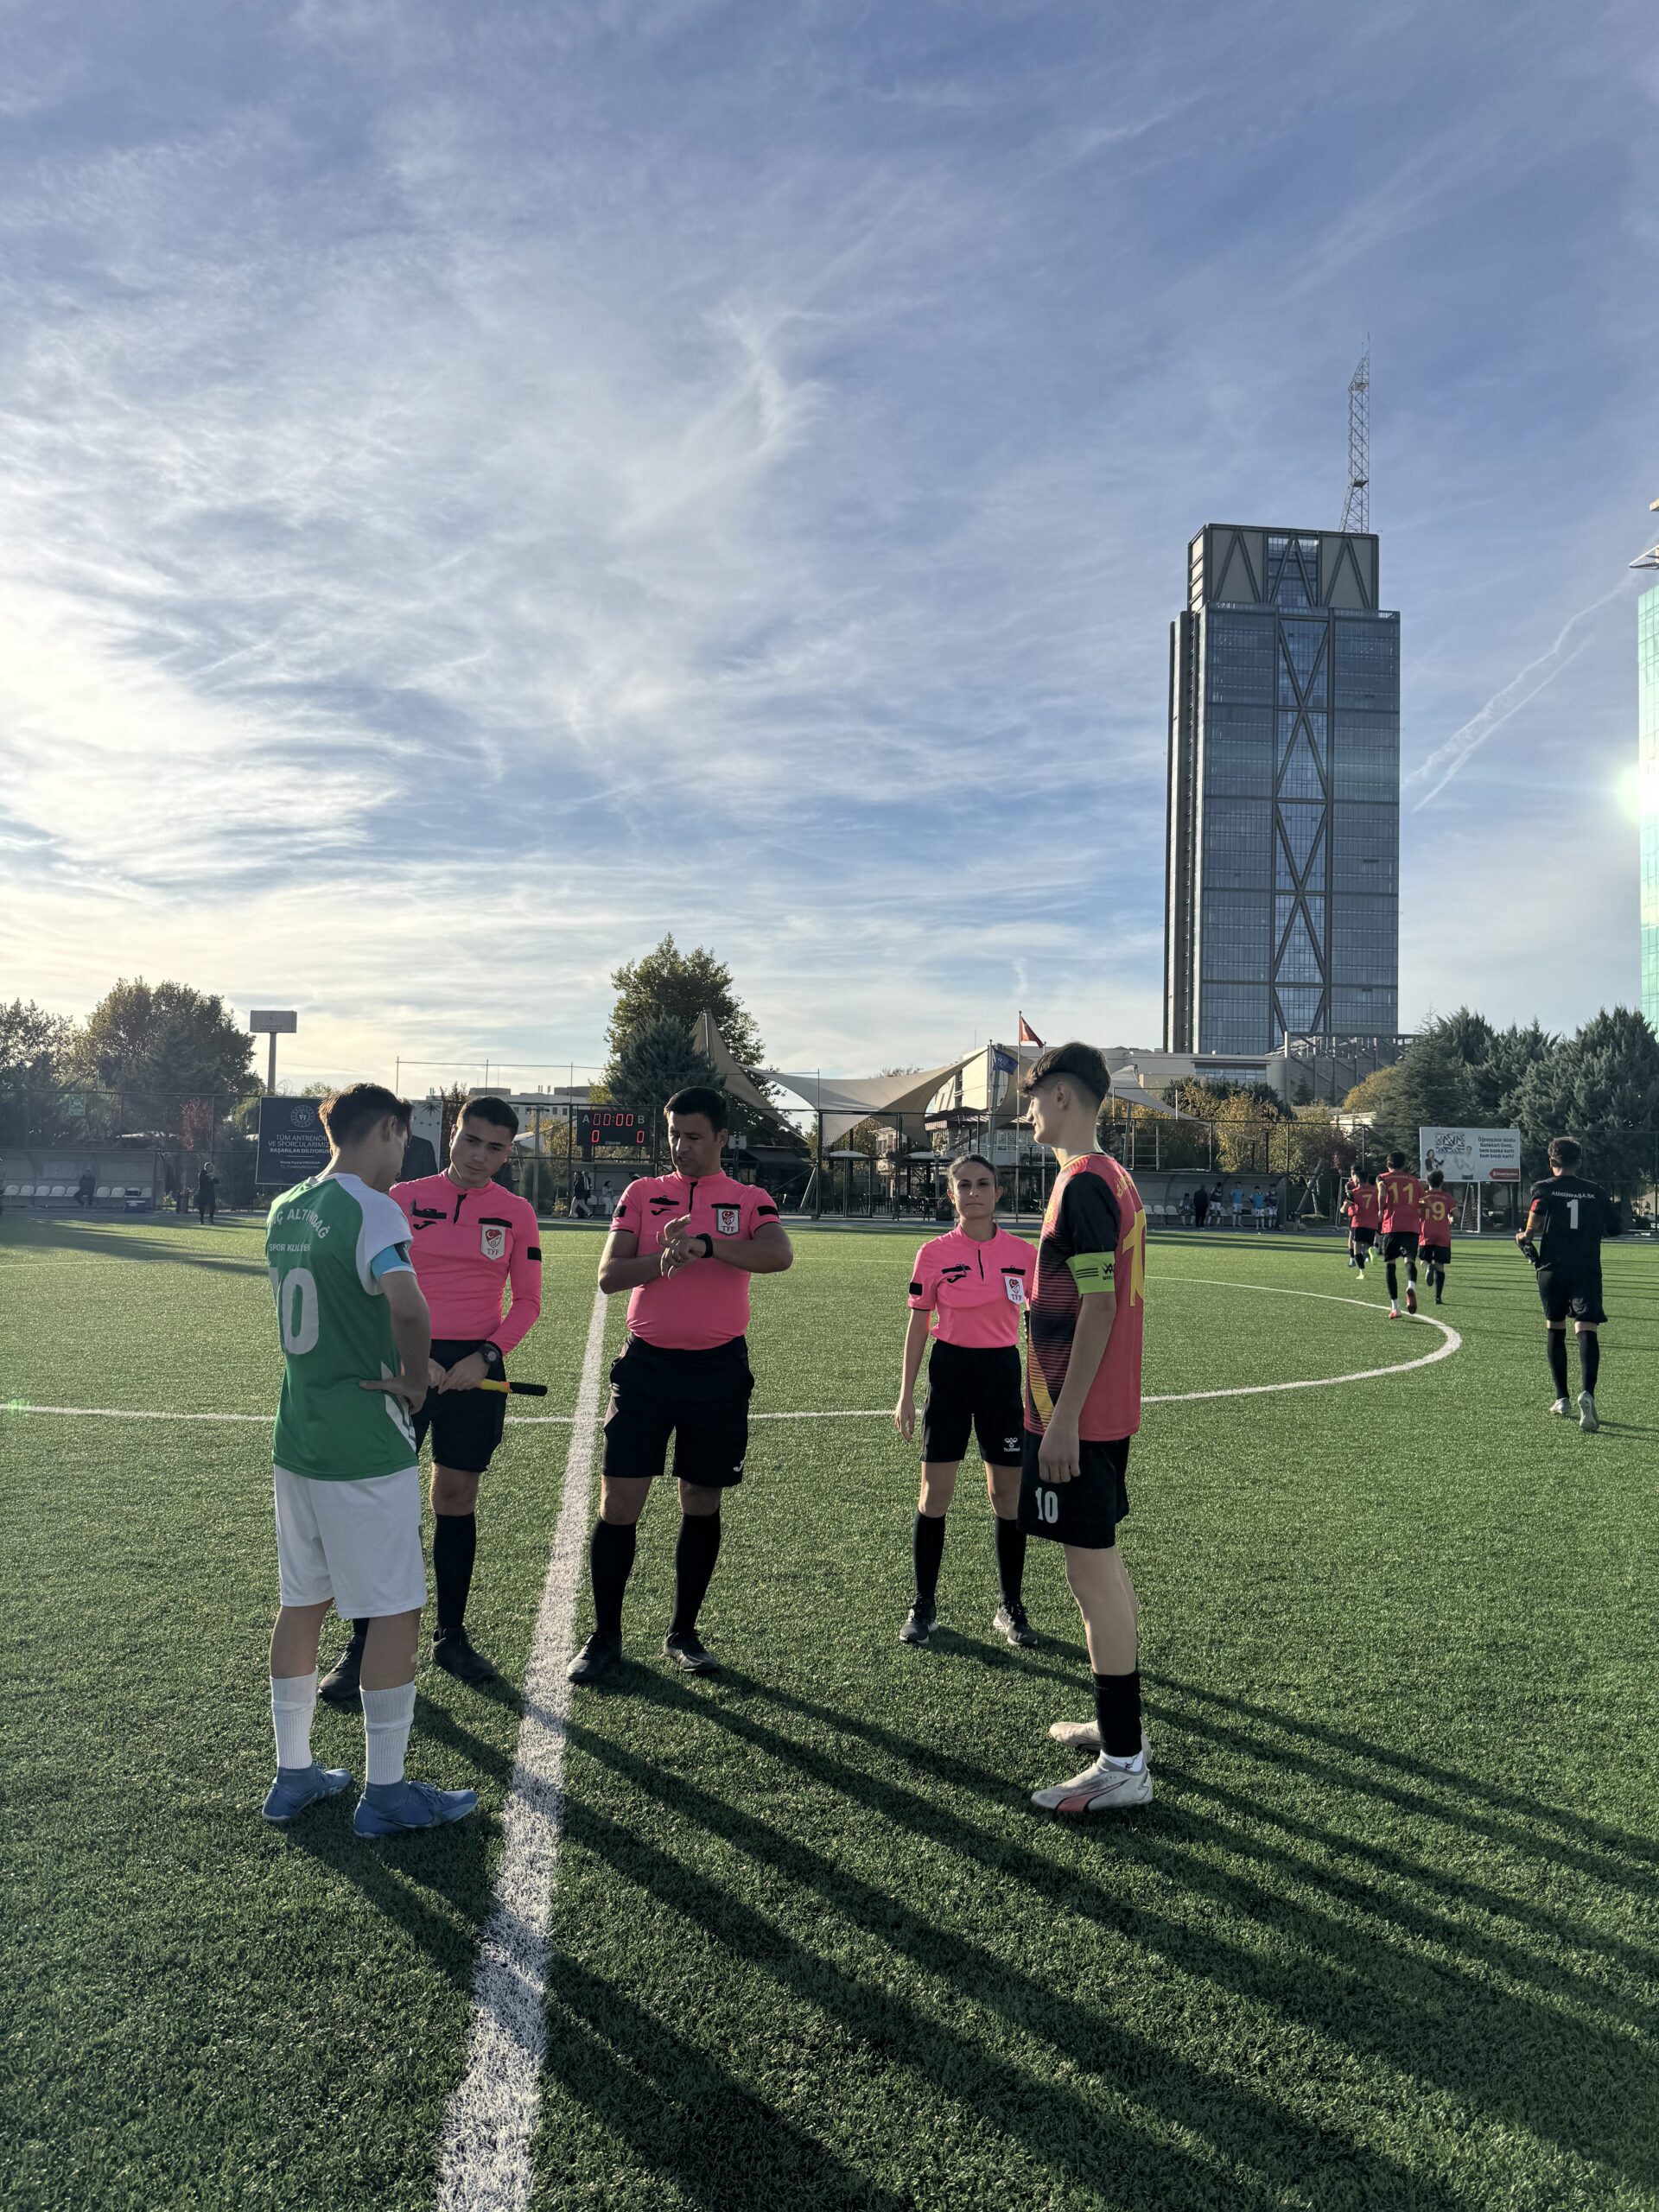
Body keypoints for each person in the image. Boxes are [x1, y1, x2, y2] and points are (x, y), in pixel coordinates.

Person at [261, 1083, 477, 1837]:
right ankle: (386, 1794)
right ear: (386, 1128)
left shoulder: (286, 1206)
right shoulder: (374, 1208)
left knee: (302, 1602)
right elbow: (408, 1304)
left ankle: (293, 1773)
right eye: (403, 1140)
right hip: (363, 1443)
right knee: (394, 1610)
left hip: (299, 1436)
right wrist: (416, 1380)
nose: (402, 1157)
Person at [319, 1096, 543, 1703]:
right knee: (385, 1504)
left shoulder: (517, 1213)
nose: (480, 1156)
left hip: (476, 1370)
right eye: (471, 1140)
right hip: (403, 1364)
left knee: (455, 1498)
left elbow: (527, 1302)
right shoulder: (400, 1199)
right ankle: (362, 1645)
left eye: (495, 1148)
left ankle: (451, 1635)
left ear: (508, 1154)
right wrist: (415, 1358)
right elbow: (371, 1288)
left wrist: (484, 1357)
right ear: (452, 1135)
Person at [568, 1086, 792, 1683]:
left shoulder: (749, 1199)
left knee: (701, 1498)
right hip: (646, 1369)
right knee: (619, 1503)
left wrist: (707, 1246)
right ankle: (604, 1636)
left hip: (718, 1373)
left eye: (694, 1136)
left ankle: (684, 1632)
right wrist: (663, 1262)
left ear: (721, 1138)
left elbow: (779, 1255)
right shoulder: (642, 1194)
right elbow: (609, 1275)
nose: (681, 1146)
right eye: (674, 1134)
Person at [1014, 1043, 1151, 1817]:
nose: (1028, 1113)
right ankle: (1117, 1727)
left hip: (1081, 1414)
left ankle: (1124, 1764)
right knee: (1100, 1572)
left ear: (1062, 1096)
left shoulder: (1086, 1182)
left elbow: (1099, 1306)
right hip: (1093, 1407)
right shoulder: (1108, 1177)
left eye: (1033, 1099)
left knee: (1091, 1577)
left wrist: (1063, 1418)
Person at [893, 1154, 1038, 1650]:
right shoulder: (932, 1254)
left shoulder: (1023, 1253)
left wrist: (1043, 1392)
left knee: (1007, 1498)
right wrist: (906, 1394)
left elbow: (1037, 1325)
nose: (973, 1192)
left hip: (1001, 1374)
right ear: (951, 1194)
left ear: (998, 1192)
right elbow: (918, 1325)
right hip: (950, 1373)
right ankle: (923, 1605)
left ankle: (1010, 1606)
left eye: (983, 1184)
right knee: (934, 1495)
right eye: (964, 1185)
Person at [1518, 1137, 1618, 1432]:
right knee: (1586, 1327)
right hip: (1586, 1267)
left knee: (1555, 1327)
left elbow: (1532, 1226)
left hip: (1553, 1268)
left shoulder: (1544, 1188)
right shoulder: (1596, 1191)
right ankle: (1587, 1393)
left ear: (1552, 1162)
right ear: (1579, 1162)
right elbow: (1615, 1228)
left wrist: (1523, 1238)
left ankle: (1562, 1398)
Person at [1376, 1150, 1426, 1319]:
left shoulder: (1382, 1178)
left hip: (1392, 1226)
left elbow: (1382, 1192)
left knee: (1390, 1264)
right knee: (1409, 1260)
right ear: (1404, 1165)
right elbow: (1424, 1202)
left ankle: (1395, 1308)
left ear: (1387, 1164)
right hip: (1411, 1226)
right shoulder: (1414, 1181)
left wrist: (1380, 1211)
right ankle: (1411, 1286)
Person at [1419, 1172, 1455, 1306]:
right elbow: (1455, 1213)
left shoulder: (1423, 1196)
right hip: (1442, 1234)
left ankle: (1428, 1266)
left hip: (1426, 1233)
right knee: (1440, 1266)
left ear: (1427, 1182)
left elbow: (1417, 1212)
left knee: (1423, 1261)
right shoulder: (1447, 1197)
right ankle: (1438, 1297)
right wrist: (1450, 1217)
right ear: (1442, 1182)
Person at [1344, 1167, 1379, 1270]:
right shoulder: (1375, 1190)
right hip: (1372, 1222)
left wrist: (1343, 1207)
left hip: (1358, 1220)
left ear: (1358, 1178)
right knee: (1368, 1243)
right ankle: (1371, 1250)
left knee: (1356, 1244)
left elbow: (1345, 1207)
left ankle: (1354, 1261)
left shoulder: (1353, 1190)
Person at [195, 1160, 219, 1224]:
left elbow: (217, 1182)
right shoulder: (201, 1174)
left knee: (213, 1205)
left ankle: (211, 1218)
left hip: (210, 1193)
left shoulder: (212, 1174)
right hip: (203, 1193)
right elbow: (202, 1180)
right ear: (206, 1167)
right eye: (209, 1167)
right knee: (202, 1206)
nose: (210, 1168)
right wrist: (208, 1176)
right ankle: (201, 1219)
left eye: (211, 1167)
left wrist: (213, 1177)